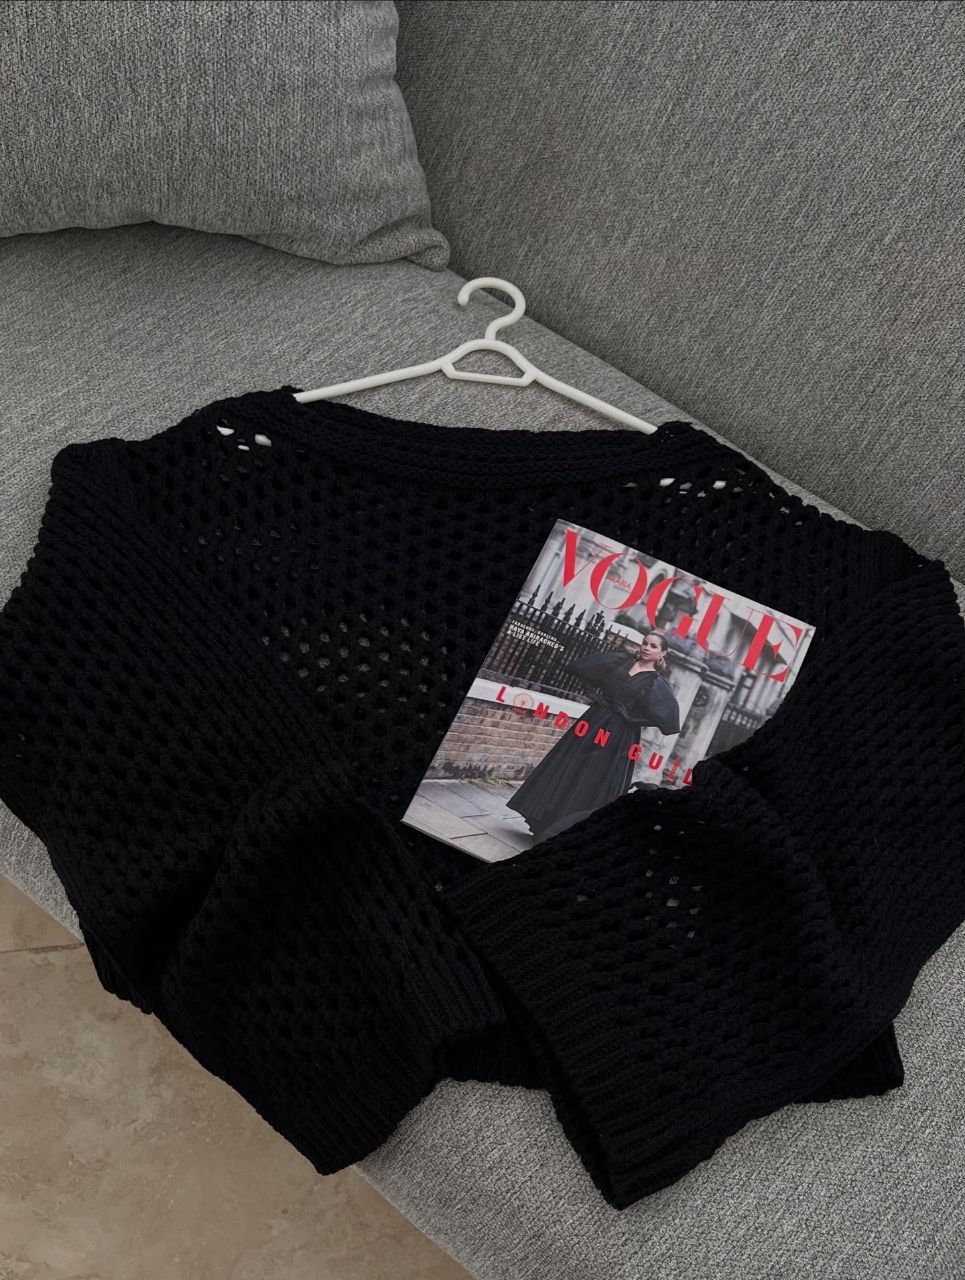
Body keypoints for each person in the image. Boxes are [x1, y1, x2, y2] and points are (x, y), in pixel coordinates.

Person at [505, 630, 682, 845]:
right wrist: (592, 694)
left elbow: (669, 722)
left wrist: (632, 718)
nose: (646, 648)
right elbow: (578, 667)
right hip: (593, 721)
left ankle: (570, 832)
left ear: (662, 653)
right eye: (645, 643)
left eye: (653, 646)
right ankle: (545, 822)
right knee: (571, 767)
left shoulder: (657, 682)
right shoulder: (620, 661)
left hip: (619, 735)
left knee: (593, 778)